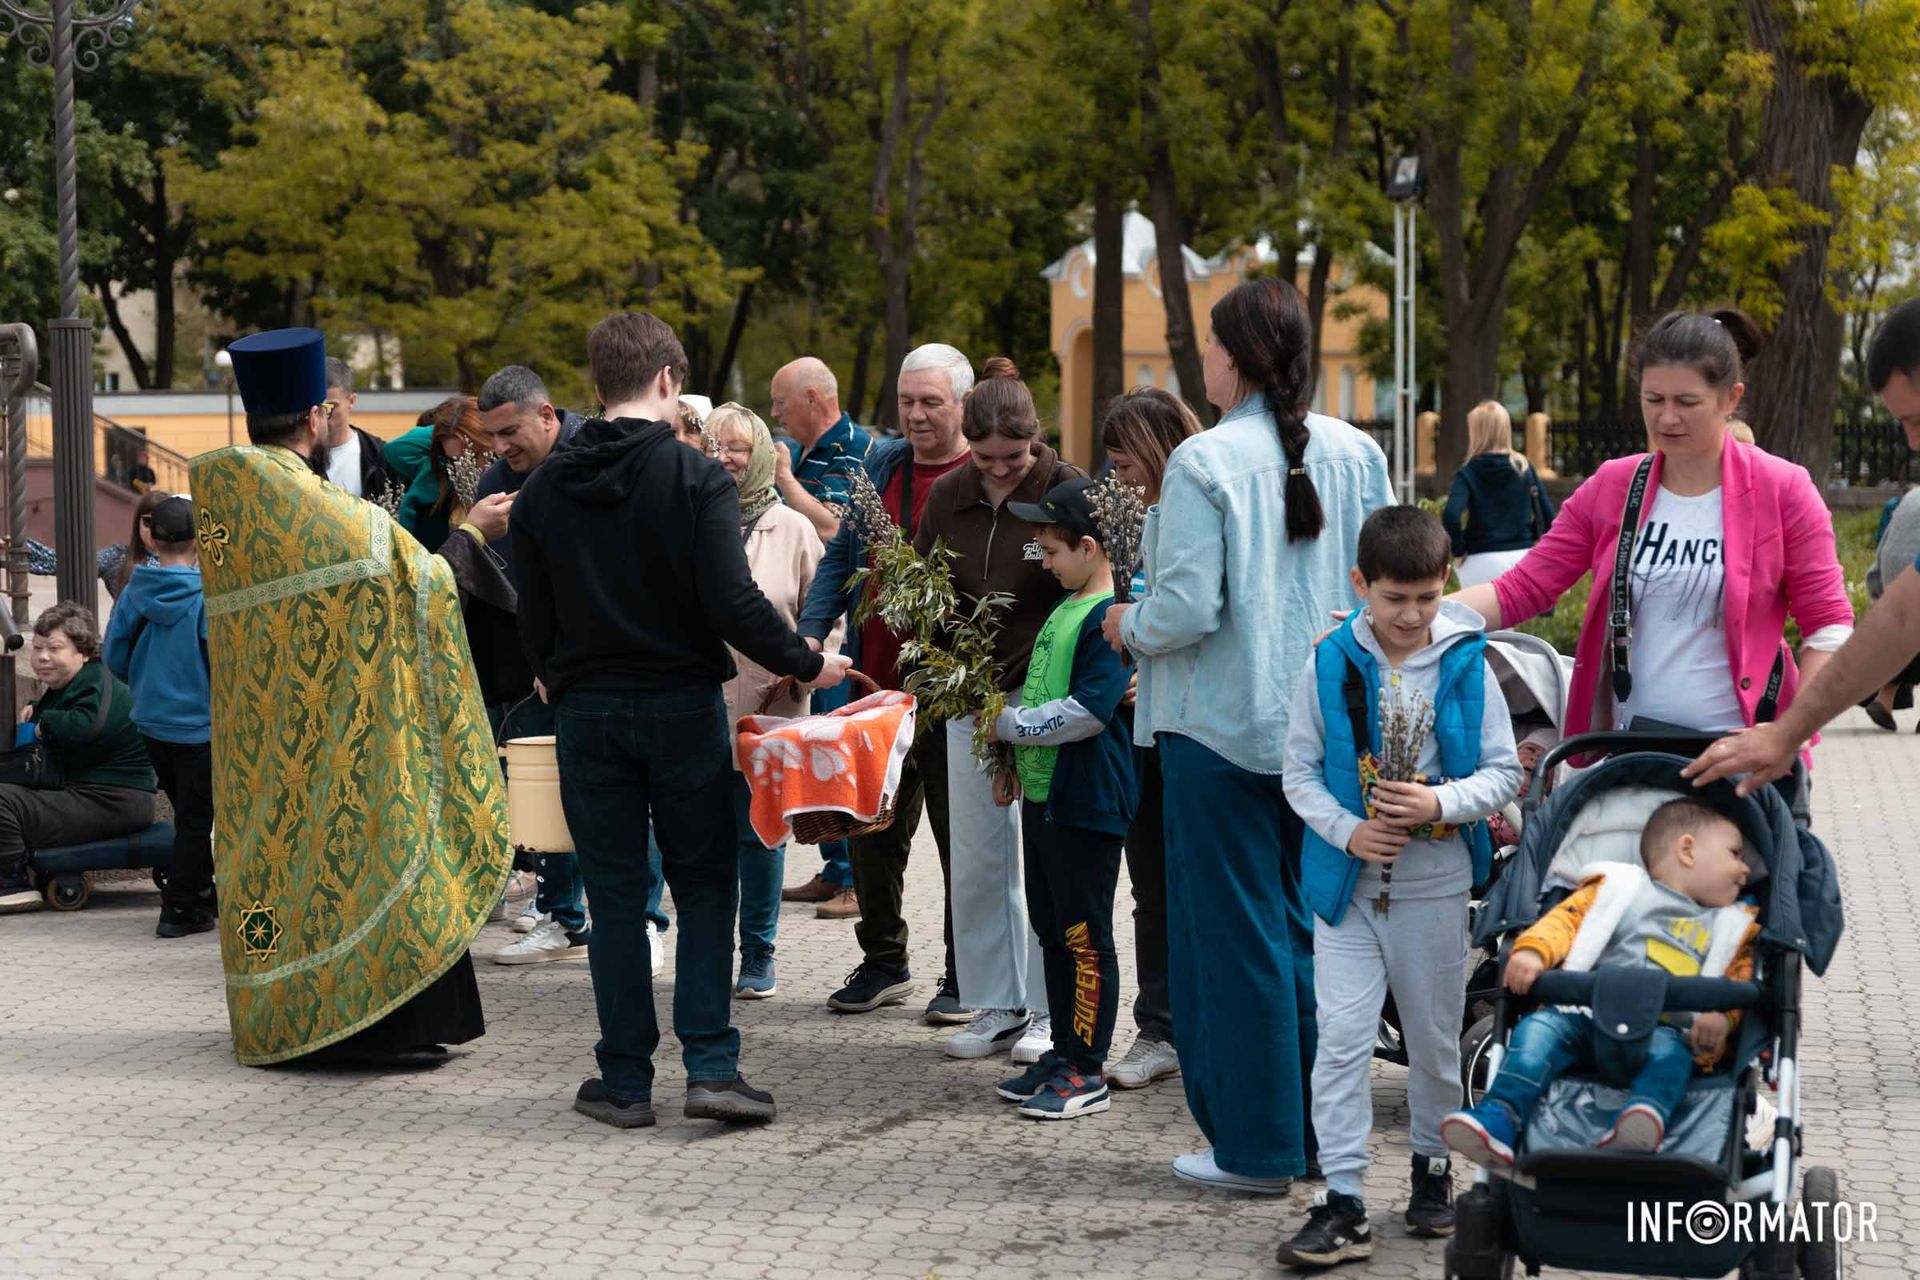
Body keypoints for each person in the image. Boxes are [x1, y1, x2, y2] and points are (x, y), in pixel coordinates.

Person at [512, 311, 850, 1129]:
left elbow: (535, 611)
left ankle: (625, 1082)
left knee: (617, 898)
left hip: (588, 714)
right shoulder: (697, 480)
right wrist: (811, 663)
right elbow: (732, 603)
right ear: (669, 380)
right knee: (703, 890)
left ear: (596, 385)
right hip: (681, 708)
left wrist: (559, 673)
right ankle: (711, 1069)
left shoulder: (542, 490)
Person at [1101, 277, 1394, 1192]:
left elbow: (1185, 608)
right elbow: (1383, 588)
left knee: (1236, 943)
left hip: (1221, 734)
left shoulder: (1204, 462)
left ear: (1230, 357)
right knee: (1314, 939)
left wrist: (1123, 626)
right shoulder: (1359, 452)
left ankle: (1259, 1149)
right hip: (1331, 731)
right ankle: (1318, 1140)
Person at [194, 326, 510, 1066]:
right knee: (363, 852)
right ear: (314, 417)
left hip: (262, 738)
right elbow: (418, 578)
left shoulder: (228, 502)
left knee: (280, 870)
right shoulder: (309, 506)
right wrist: (471, 533)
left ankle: (282, 1010)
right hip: (341, 736)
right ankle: (367, 1028)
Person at [1277, 506, 1521, 1266]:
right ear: (1360, 585)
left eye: (1425, 597)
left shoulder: (1467, 662)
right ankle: (1342, 1199)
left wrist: (1439, 803)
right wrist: (1347, 831)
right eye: (1393, 599)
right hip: (1347, 890)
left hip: (1436, 888)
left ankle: (1433, 1171)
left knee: (1433, 1043)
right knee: (1342, 1043)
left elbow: (1506, 774)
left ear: (1446, 582)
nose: (1411, 615)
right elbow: (1299, 773)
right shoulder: (1329, 661)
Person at [1450, 310, 1853, 750]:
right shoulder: (1613, 486)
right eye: (1653, 399)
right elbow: (1522, 589)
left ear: (1730, 398)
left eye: (1687, 402)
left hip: (1745, 756)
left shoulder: (1783, 489)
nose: (1667, 418)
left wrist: (1786, 736)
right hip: (1633, 751)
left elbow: (1829, 627)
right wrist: (1413, 615)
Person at [797, 342, 975, 1025]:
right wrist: (813, 633)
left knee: (962, 842)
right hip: (877, 693)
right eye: (907, 401)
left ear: (961, 403)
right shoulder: (883, 464)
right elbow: (843, 553)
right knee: (869, 835)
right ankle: (884, 960)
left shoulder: (978, 475)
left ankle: (966, 973)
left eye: (932, 402)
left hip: (955, 697)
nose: (918, 415)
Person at [917, 357, 1083, 1064]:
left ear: (1034, 442)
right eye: (985, 459)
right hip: (970, 692)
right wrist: (945, 661)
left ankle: (1050, 1007)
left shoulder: (1065, 485)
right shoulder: (950, 492)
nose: (1001, 470)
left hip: (1047, 689)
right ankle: (997, 1001)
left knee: (1046, 853)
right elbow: (923, 583)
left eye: (1013, 458)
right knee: (980, 854)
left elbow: (1096, 579)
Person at [1442, 798, 1755, 1168]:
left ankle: (1643, 1118)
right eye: (1735, 854)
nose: (1745, 871)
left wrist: (1723, 1018)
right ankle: (1501, 1116)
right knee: (1537, 1031)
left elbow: (1742, 978)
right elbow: (1566, 921)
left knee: (1672, 1058)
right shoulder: (1619, 889)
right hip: (1585, 1017)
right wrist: (1533, 953)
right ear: (1687, 850)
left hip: (1666, 1029)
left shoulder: (1731, 926)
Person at [1686, 297, 1920, 793]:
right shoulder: (1622, 486)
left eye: (1917, 420)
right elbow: (1903, 616)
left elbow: (1868, 617)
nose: (1913, 442)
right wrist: (1788, 731)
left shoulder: (1785, 489)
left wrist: (1787, 731)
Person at [986, 477, 1135, 1120]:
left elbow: (1088, 711)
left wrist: (1012, 728)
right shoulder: (1065, 605)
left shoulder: (1106, 618)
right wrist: (1014, 760)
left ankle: (1087, 1068)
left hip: (1086, 802)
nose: (1043, 564)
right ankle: (1063, 1053)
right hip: (1046, 798)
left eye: (1051, 551)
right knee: (1051, 929)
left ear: (1090, 546)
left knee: (1083, 935)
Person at [470, 365, 607, 963]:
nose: (500, 449)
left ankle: (632, 919)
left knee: (599, 796)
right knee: (545, 793)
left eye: (509, 432)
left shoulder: (598, 457)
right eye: (492, 437)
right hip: (527, 668)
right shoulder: (498, 482)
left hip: (596, 660)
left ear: (547, 416)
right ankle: (563, 914)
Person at [707, 402, 840, 999]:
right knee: (705, 839)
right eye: (714, 447)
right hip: (699, 705)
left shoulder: (792, 528)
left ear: (761, 452)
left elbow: (824, 611)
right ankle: (708, 952)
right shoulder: (691, 517)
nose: (725, 459)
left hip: (772, 703)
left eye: (736, 447)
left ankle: (758, 953)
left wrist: (807, 665)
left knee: (761, 835)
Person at [1096, 386, 1203, 1091]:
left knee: (1199, 883)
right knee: (1151, 887)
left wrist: (1146, 649)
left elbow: (1195, 613)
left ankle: (1199, 1023)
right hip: (1142, 727)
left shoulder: (1199, 507)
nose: (1120, 482)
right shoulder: (1126, 517)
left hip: (1197, 726)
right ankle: (1158, 1026)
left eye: (1127, 466)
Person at [770, 356, 873, 917]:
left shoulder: (856, 448)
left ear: (813, 398)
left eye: (780, 402)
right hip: (811, 629)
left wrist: (785, 482)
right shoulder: (813, 449)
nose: (775, 413)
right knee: (817, 746)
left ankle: (858, 877)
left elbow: (835, 528)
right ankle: (836, 868)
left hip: (842, 632)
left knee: (838, 746)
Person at [102, 496, 215, 938]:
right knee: (194, 819)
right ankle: (180, 908)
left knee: (187, 809)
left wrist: (146, 686)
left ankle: (202, 891)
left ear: (153, 537)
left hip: (150, 721)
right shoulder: (206, 597)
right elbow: (218, 663)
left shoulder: (135, 590)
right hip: (196, 726)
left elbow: (114, 653)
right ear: (200, 541)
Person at [0, 604, 157, 914]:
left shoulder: (96, 680)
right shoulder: (71, 683)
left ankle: (12, 882)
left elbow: (87, 724)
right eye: (38, 648)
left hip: (112, 799)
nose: (43, 657)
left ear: (83, 653)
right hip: (87, 792)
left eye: (55, 648)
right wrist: (38, 707)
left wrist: (48, 722)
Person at [1441, 400, 1556, 588]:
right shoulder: (1524, 468)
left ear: (1475, 432)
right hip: (1523, 558)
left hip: (1481, 560)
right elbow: (1548, 516)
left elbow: (1451, 516)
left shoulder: (1469, 471)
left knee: (1480, 618)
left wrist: (1460, 551)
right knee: (1520, 618)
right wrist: (1527, 535)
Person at [1860, 484, 1920, 730]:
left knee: (1907, 640)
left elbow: (1885, 542)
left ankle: (1884, 699)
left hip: (1894, 571)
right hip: (1914, 570)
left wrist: (1878, 583)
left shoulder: (1911, 497)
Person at [398, 396, 492, 552]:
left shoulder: (516, 481)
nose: (465, 469)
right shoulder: (436, 495)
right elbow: (397, 448)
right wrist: (447, 426)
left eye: (474, 456)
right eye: (455, 461)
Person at [321, 357, 398, 500]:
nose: (324, 415)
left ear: (351, 401)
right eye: (318, 408)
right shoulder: (296, 458)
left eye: (331, 406)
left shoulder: (381, 456)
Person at [100, 490, 169, 602]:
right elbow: (79, 565)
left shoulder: (184, 563)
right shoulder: (118, 557)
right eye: (148, 521)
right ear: (138, 522)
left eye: (162, 522)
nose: (154, 529)